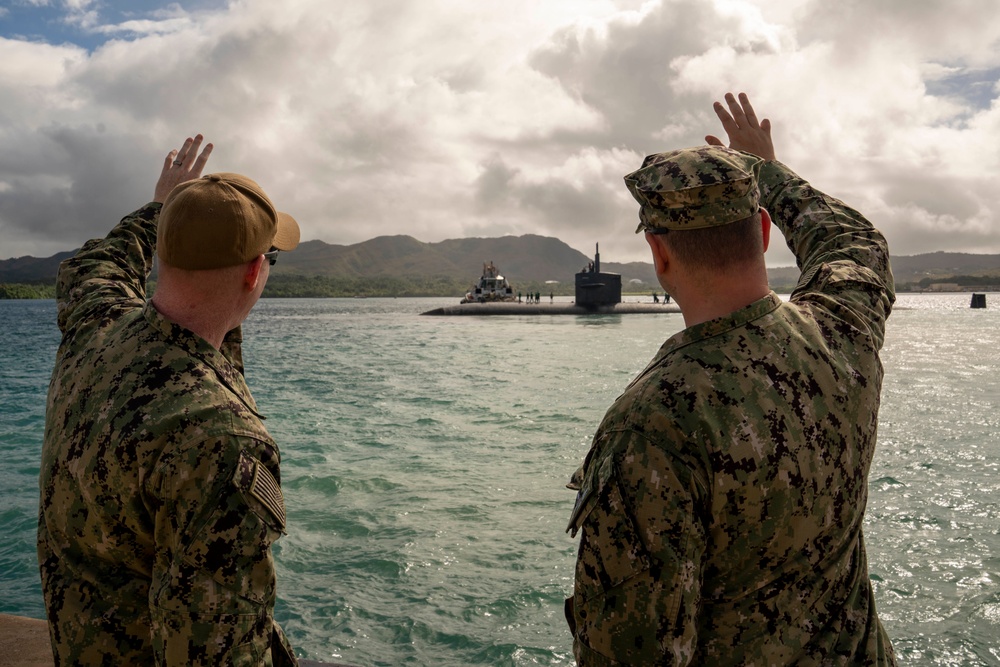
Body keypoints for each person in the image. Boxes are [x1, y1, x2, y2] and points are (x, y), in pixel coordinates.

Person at [565, 93, 896, 665]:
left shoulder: (653, 426)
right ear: (764, 230)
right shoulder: (843, 331)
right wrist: (765, 169)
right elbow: (853, 243)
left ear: (658, 255)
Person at [37, 135, 301, 665]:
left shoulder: (97, 329)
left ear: (161, 251)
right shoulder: (218, 438)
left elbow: (95, 264)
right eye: (269, 256)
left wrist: (161, 208)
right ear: (254, 271)